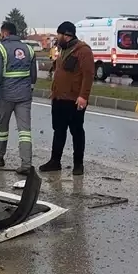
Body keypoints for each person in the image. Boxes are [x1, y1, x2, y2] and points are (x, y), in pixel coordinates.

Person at [0, 22, 38, 174]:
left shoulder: (1, 49)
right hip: (24, 96)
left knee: (2, 128)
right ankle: (26, 164)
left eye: (1, 33)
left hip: (6, 96)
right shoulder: (29, 49)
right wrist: (30, 89)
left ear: (5, 33)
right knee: (25, 131)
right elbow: (33, 75)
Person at [41, 21, 94, 175]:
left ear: (67, 35)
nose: (57, 37)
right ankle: (55, 161)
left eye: (59, 34)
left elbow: (88, 75)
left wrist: (83, 96)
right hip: (59, 97)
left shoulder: (83, 51)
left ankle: (78, 164)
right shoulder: (62, 49)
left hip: (74, 99)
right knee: (58, 130)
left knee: (77, 131)